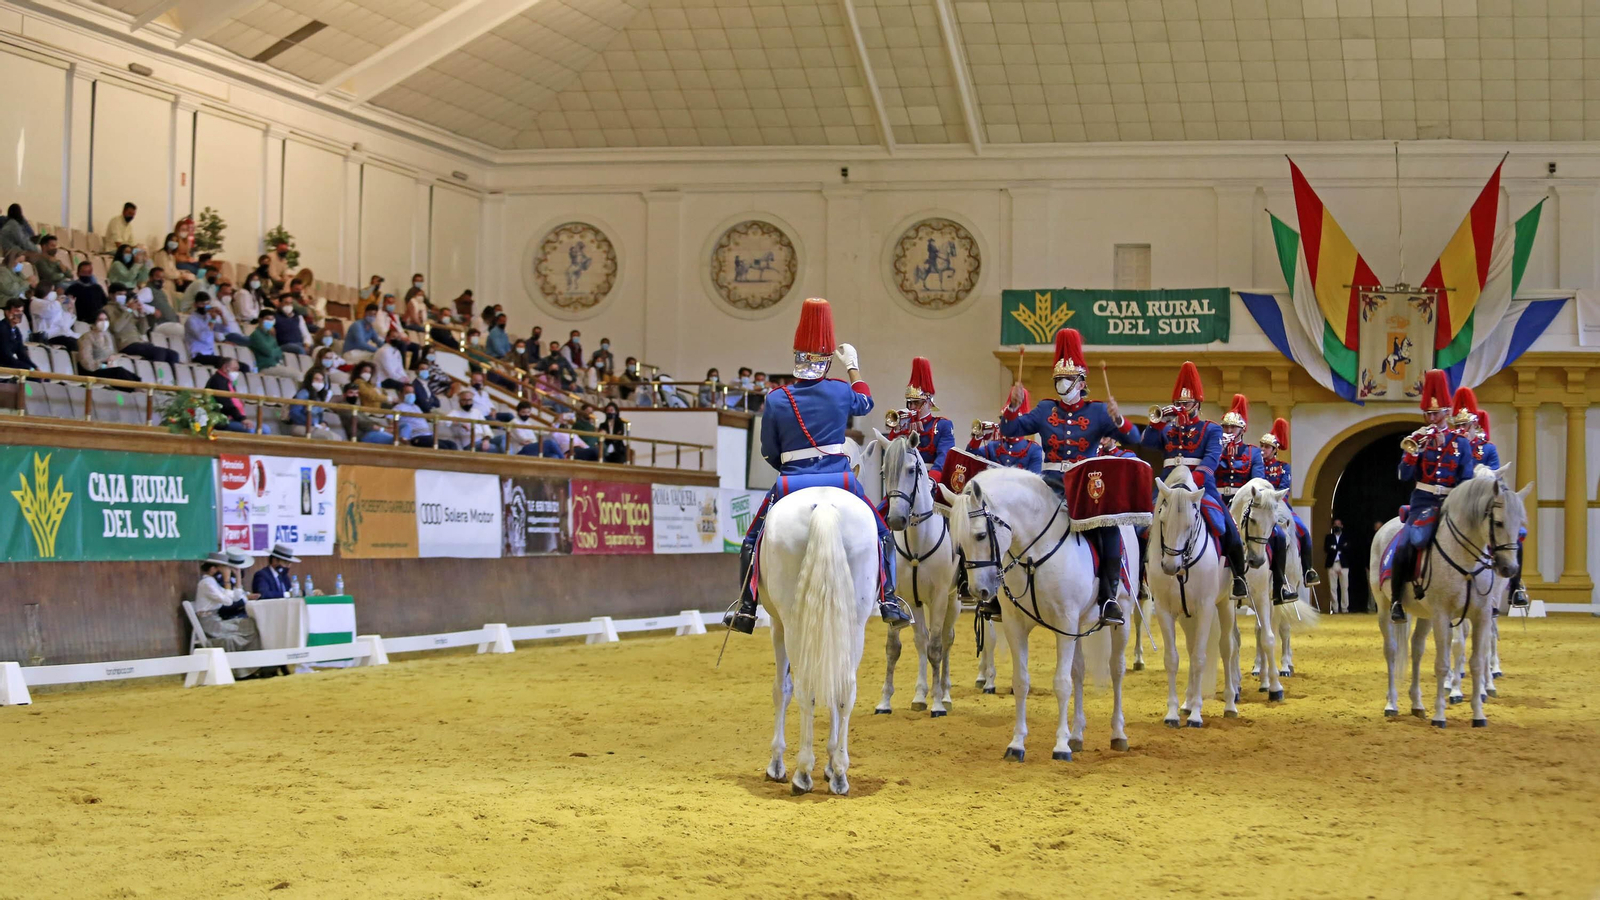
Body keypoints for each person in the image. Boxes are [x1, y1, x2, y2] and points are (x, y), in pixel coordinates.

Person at [726, 297, 908, 634]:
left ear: (797, 357)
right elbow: (866, 402)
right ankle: (889, 599)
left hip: (791, 481)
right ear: (827, 361)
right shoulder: (840, 391)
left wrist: (789, 465)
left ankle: (746, 607)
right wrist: (852, 367)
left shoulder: (777, 398)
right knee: (882, 534)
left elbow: (768, 450)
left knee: (752, 539)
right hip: (841, 480)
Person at [999, 329, 1142, 624]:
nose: (1062, 384)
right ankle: (1000, 592)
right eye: (1058, 379)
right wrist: (1012, 407)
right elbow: (1010, 430)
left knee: (1108, 529)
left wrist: (1118, 419)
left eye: (1068, 379)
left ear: (1081, 383)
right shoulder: (1044, 408)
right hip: (1049, 484)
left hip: (1084, 486)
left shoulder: (1097, 411)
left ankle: (1109, 598)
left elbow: (1135, 438)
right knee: (1011, 521)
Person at [1140, 359, 1250, 603]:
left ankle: (1239, 578)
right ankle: (1140, 579)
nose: (1181, 407)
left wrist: (1190, 483)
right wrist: (1158, 421)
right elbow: (1146, 442)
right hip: (1168, 489)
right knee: (1142, 525)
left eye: (1186, 403)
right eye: (1178, 403)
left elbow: (1211, 458)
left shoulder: (1211, 429)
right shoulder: (1167, 429)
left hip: (1200, 488)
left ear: (1197, 404)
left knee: (1227, 526)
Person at [1388, 369, 1477, 622]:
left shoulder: (1459, 443)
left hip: (1452, 503)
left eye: (1436, 413)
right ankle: (1396, 600)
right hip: (1423, 503)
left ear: (1447, 413)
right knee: (1405, 545)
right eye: (1428, 413)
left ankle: (1485, 595)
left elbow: (1466, 479)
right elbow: (1403, 475)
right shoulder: (1416, 440)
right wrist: (1413, 454)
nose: (1432, 418)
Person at [1449, 388, 1525, 609]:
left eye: (1466, 426)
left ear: (1475, 425)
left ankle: (1516, 587)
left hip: (1484, 503)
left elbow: (1494, 477)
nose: (1463, 430)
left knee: (1516, 535)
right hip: (1457, 500)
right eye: (1459, 426)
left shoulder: (1487, 449)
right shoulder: (1450, 448)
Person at [1214, 394, 1292, 602]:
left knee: (1279, 535)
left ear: (1242, 430)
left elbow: (1258, 481)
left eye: (1232, 427)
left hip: (1243, 503)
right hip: (1218, 501)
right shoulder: (1215, 448)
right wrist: (1218, 450)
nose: (1228, 431)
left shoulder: (1253, 453)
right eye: (1225, 427)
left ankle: (1280, 586)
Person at [1259, 417, 1319, 594]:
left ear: (1274, 450)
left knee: (1304, 532)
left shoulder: (1283, 467)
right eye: (1261, 446)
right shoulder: (1256, 465)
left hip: (1280, 505)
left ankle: (1308, 570)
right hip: (1259, 506)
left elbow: (1285, 489)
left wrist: (1273, 500)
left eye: (1267, 447)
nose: (1263, 449)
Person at [192, 551, 262, 659]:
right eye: (224, 568)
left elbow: (236, 597)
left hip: (216, 619)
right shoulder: (206, 583)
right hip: (210, 623)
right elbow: (228, 601)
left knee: (250, 623)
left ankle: (252, 661)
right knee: (247, 628)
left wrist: (238, 577)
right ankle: (243, 663)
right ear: (213, 569)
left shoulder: (212, 582)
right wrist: (226, 580)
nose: (227, 571)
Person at [895, 358, 956, 482]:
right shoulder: (904, 425)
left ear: (929, 403)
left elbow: (944, 456)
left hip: (930, 478)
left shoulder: (942, 425)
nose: (912, 407)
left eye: (916, 403)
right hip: (905, 481)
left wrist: (932, 479)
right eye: (910, 403)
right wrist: (897, 430)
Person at [77, 309, 140, 383]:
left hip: (105, 368)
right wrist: (103, 366)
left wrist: (113, 357)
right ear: (94, 321)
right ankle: (137, 388)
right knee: (119, 372)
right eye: (100, 320)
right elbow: (86, 362)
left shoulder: (107, 336)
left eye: (106, 319)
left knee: (134, 377)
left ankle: (140, 386)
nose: (104, 322)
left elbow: (111, 354)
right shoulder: (86, 337)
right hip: (92, 371)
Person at [967, 418, 1042, 473]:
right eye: (1005, 421)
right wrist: (979, 436)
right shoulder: (993, 445)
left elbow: (1034, 480)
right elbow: (969, 454)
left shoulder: (1033, 449)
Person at [394, 384, 454, 448]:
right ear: (400, 394)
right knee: (443, 447)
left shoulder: (416, 407)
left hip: (428, 436)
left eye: (412, 392)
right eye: (408, 392)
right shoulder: (398, 407)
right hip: (416, 437)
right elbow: (391, 420)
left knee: (452, 445)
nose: (411, 395)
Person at [206, 358, 256, 433]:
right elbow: (226, 405)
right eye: (235, 369)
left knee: (265, 429)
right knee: (251, 430)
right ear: (225, 368)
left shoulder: (228, 382)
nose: (237, 372)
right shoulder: (217, 381)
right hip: (221, 420)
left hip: (233, 418)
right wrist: (242, 419)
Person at [28, 284, 79, 352]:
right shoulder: (35, 302)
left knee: (81, 341)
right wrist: (58, 302)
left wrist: (70, 310)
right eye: (52, 290)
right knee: (72, 342)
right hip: (48, 336)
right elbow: (49, 311)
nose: (54, 293)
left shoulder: (52, 304)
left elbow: (63, 323)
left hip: (59, 334)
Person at [289, 367, 336, 439]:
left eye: (321, 380)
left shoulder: (318, 396)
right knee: (328, 437)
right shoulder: (303, 393)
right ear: (310, 380)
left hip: (314, 426)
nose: (319, 382)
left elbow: (319, 415)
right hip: (301, 425)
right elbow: (294, 413)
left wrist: (323, 423)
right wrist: (312, 423)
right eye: (316, 379)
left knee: (337, 438)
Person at [66, 260, 109, 325]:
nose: (87, 275)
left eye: (89, 272)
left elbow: (105, 303)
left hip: (98, 321)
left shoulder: (97, 288)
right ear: (78, 274)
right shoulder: (72, 289)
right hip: (81, 322)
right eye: (84, 272)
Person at [1, 297, 38, 371]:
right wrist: (30, 369)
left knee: (40, 375)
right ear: (7, 312)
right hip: (3, 366)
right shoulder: (2, 328)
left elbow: (22, 354)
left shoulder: (16, 330)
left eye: (21, 311)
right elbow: (6, 356)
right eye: (17, 311)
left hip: (10, 365)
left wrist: (35, 367)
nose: (20, 314)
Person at [1324, 518, 1350, 613]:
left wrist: (1334, 547)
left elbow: (1348, 549)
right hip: (1332, 564)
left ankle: (1344, 608)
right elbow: (1326, 549)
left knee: (1344, 587)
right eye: (1335, 524)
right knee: (1333, 588)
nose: (1337, 526)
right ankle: (1335, 608)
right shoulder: (1329, 537)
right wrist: (1341, 547)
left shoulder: (1346, 537)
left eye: (1338, 524)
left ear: (1342, 526)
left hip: (1343, 565)